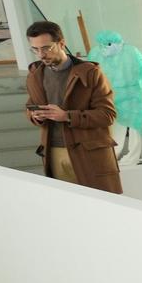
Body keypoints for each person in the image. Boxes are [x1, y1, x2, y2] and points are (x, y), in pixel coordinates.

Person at [24, 20, 122, 195]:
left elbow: (108, 114)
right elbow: (30, 107)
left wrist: (67, 116)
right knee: (67, 207)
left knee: (100, 207)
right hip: (52, 151)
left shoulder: (90, 73)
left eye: (46, 48)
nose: (41, 54)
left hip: (88, 152)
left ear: (61, 43)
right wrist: (35, 116)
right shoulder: (35, 75)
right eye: (35, 49)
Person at [93, 30, 142, 165]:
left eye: (108, 44)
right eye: (102, 45)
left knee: (134, 126)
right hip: (108, 97)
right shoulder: (96, 52)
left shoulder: (131, 52)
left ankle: (131, 157)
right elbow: (91, 76)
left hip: (133, 97)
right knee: (115, 127)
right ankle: (113, 155)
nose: (105, 48)